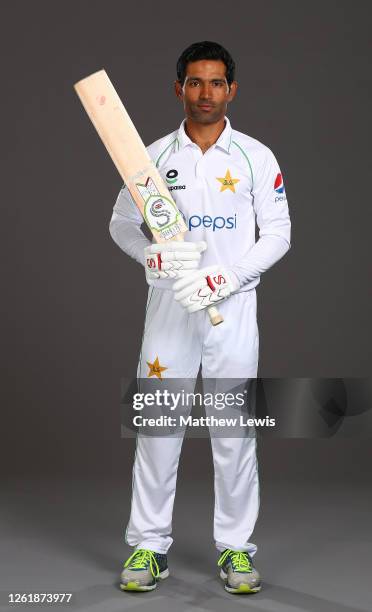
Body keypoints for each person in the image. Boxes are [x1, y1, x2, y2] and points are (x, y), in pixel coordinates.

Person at [109, 41, 291, 595]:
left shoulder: (256, 157)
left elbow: (279, 234)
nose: (205, 93)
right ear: (178, 88)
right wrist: (149, 254)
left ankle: (236, 548)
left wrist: (229, 276)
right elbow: (121, 223)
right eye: (194, 82)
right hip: (168, 314)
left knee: (235, 432)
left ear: (231, 89)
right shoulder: (151, 157)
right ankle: (148, 546)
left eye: (216, 83)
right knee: (158, 427)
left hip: (230, 313)